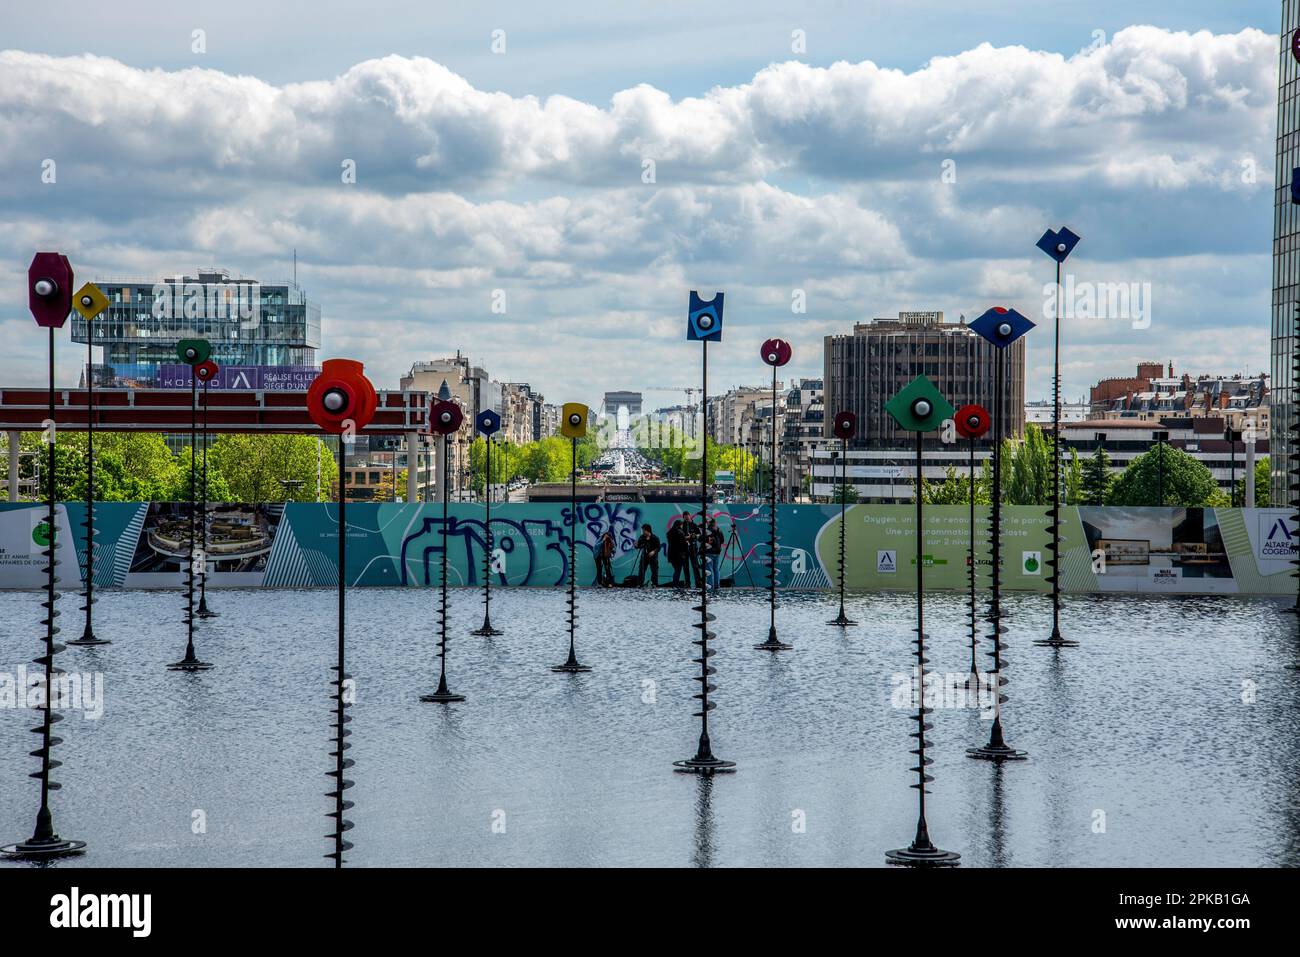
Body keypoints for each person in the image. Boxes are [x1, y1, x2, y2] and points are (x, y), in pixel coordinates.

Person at [666, 517, 689, 588]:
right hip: (679, 554)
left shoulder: (669, 532)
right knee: (678, 570)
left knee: (676, 569)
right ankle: (675, 585)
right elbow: (682, 543)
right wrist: (687, 541)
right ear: (680, 525)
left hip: (671, 554)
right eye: (681, 525)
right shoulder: (680, 532)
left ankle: (675, 584)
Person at [704, 516, 724, 592]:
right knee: (716, 569)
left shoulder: (707, 530)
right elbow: (722, 541)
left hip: (709, 552)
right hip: (717, 552)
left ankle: (710, 586)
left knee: (709, 570)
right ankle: (717, 585)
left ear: (708, 522)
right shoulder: (719, 530)